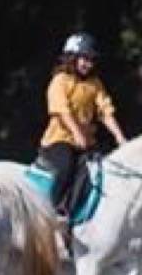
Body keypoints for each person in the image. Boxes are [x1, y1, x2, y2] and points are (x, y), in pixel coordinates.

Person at [36, 32, 129, 245]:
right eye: (84, 58)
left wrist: (120, 137)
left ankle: (80, 219)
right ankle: (55, 211)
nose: (88, 64)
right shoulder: (60, 81)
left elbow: (105, 111)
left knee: (97, 173)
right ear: (72, 57)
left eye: (91, 60)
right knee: (65, 166)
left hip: (85, 143)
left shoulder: (95, 84)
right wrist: (77, 133)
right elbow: (61, 111)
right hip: (59, 140)